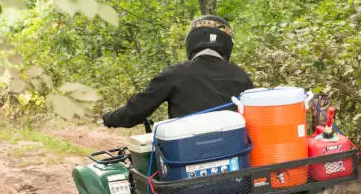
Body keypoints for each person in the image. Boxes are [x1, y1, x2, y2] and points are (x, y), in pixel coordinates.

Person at [102, 15, 254, 128]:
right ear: (227, 45)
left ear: (192, 41)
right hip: (237, 155)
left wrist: (109, 118)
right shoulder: (241, 76)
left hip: (185, 156)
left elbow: (135, 112)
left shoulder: (174, 74)